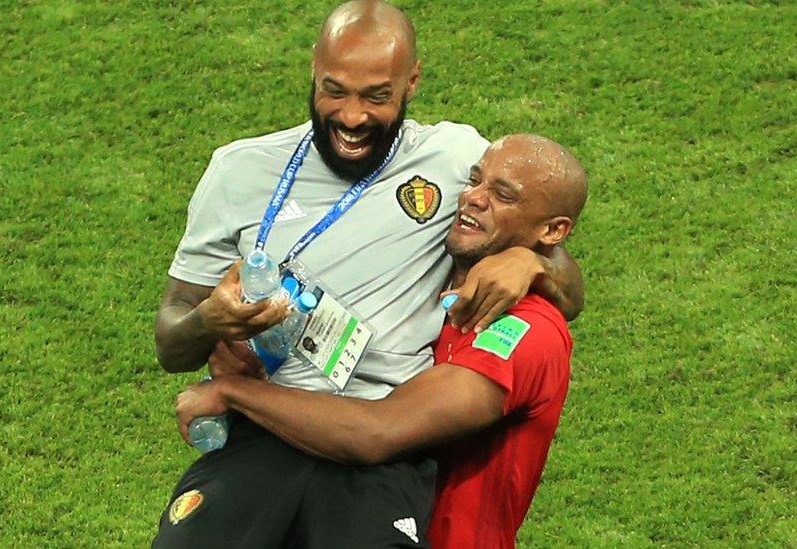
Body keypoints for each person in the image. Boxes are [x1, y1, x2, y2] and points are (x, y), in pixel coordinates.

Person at [153, 1, 584, 547]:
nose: (352, 117)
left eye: (377, 96)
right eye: (335, 90)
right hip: (262, 435)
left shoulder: (455, 160)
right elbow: (170, 342)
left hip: (382, 455)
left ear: (412, 82)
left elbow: (560, 263)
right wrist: (208, 322)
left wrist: (532, 262)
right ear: (314, 68)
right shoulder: (239, 170)